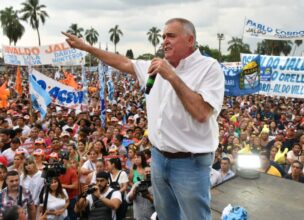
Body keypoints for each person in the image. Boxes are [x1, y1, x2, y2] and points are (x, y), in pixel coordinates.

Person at [64, 17, 224, 220]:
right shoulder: (155, 67)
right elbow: (122, 62)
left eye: (171, 36)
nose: (164, 40)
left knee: (195, 217)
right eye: (163, 36)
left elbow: (202, 112)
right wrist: (88, 48)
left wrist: (172, 76)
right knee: (166, 215)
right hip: (158, 159)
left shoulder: (208, 68)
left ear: (190, 40)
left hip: (190, 163)